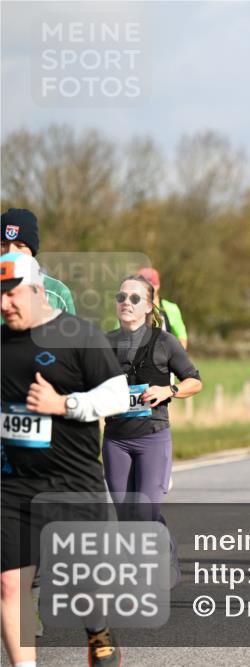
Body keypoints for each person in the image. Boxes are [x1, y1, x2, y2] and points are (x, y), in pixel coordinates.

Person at [1, 252, 129, 667]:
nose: (5, 304)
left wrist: (64, 404)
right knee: (9, 585)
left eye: (12, 293)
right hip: (14, 485)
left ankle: (98, 631)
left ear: (38, 290)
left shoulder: (78, 334)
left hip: (74, 482)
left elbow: (116, 396)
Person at [103, 273, 203, 587]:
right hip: (116, 439)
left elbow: (194, 380)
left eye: (134, 298)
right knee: (125, 514)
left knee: (144, 513)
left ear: (148, 306)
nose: (126, 303)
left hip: (152, 437)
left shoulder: (164, 342)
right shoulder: (104, 343)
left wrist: (168, 391)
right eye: (121, 298)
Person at [1, 208, 75, 317]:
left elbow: (72, 332)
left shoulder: (57, 293)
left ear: (32, 251)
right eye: (3, 244)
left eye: (19, 246)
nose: (10, 252)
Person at [136, 267, 188, 349]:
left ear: (158, 285)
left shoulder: (170, 308)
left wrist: (176, 359)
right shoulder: (128, 308)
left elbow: (182, 338)